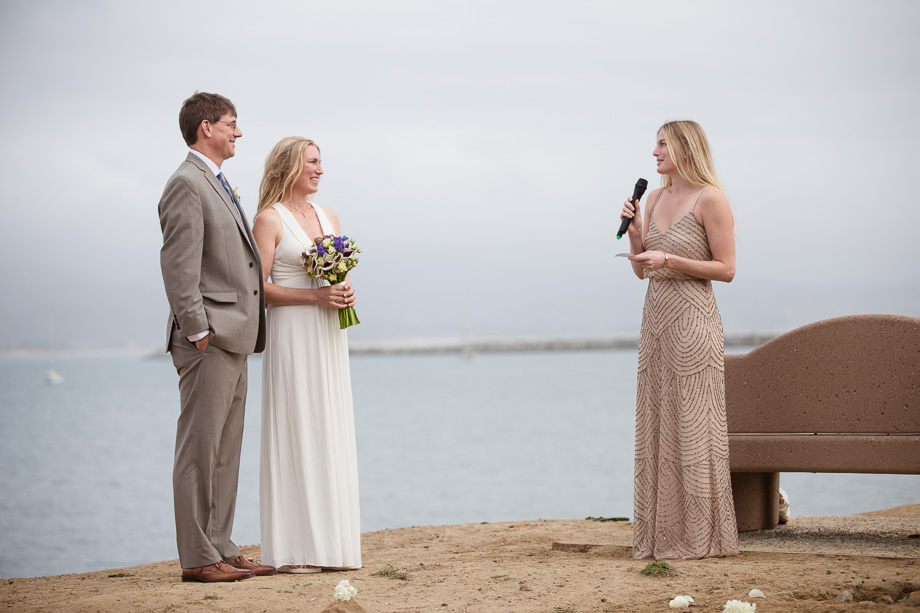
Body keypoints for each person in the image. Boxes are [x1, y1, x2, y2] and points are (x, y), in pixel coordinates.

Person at [158, 92, 275, 582]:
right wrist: (199, 330)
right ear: (206, 127)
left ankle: (222, 547)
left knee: (226, 451)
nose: (239, 132)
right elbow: (178, 263)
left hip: (235, 338)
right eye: (232, 123)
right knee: (198, 452)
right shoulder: (187, 183)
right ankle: (198, 558)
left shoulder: (218, 181)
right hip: (209, 340)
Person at [620, 120, 739, 560]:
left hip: (693, 322)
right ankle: (661, 536)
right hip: (655, 323)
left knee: (693, 427)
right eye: (654, 144)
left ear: (686, 148)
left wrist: (670, 256)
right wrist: (635, 234)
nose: (654, 152)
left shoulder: (711, 199)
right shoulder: (654, 197)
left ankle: (700, 537)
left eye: (662, 144)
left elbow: (726, 269)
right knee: (658, 425)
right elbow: (643, 271)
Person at [252, 137, 361, 573]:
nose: (319, 169)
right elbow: (259, 290)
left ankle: (334, 546)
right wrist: (315, 298)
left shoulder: (329, 215)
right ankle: (297, 550)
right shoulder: (268, 219)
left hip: (330, 336)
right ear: (289, 166)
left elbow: (338, 272)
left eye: (321, 163)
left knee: (329, 425)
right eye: (312, 162)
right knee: (298, 427)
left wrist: (344, 288)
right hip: (294, 336)